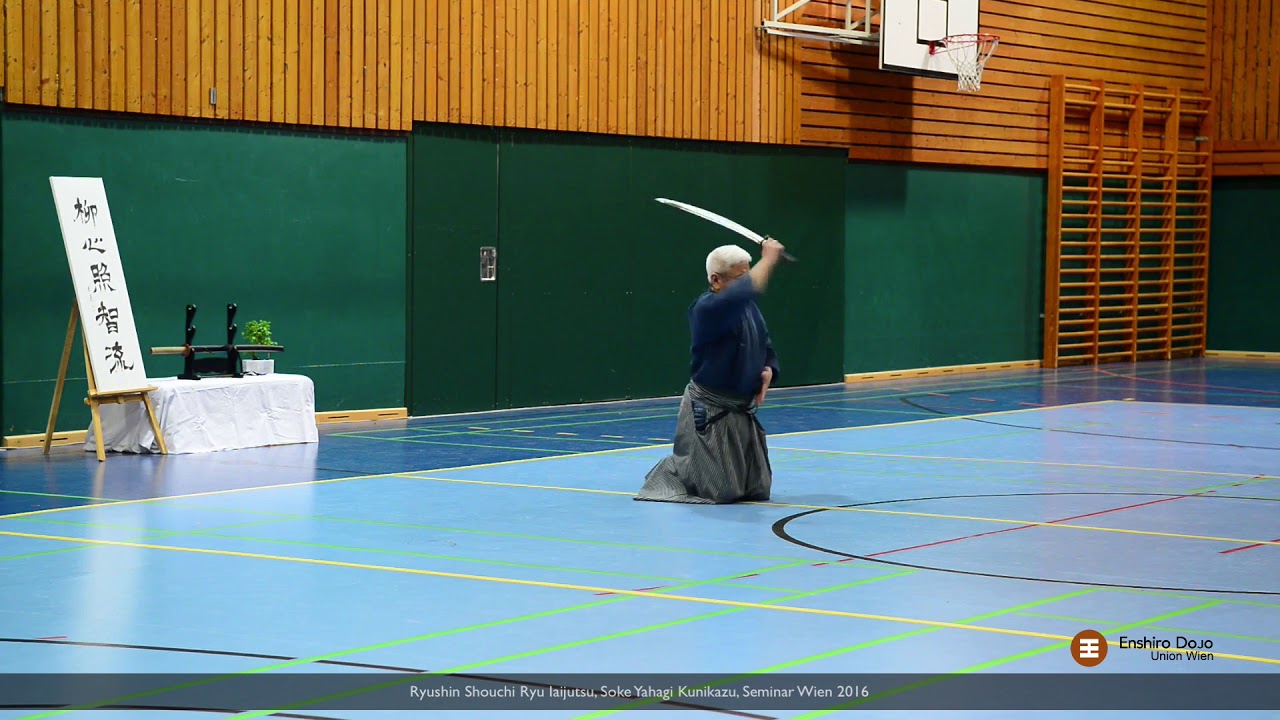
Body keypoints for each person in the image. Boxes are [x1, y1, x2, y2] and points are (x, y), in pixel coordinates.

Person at [635, 237, 786, 505]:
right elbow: (745, 293)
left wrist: (768, 370)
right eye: (740, 278)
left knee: (757, 488)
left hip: (741, 408)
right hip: (711, 409)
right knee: (721, 491)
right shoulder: (707, 309)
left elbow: (766, 345)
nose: (747, 282)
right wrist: (769, 259)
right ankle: (679, 467)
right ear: (716, 280)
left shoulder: (749, 310)